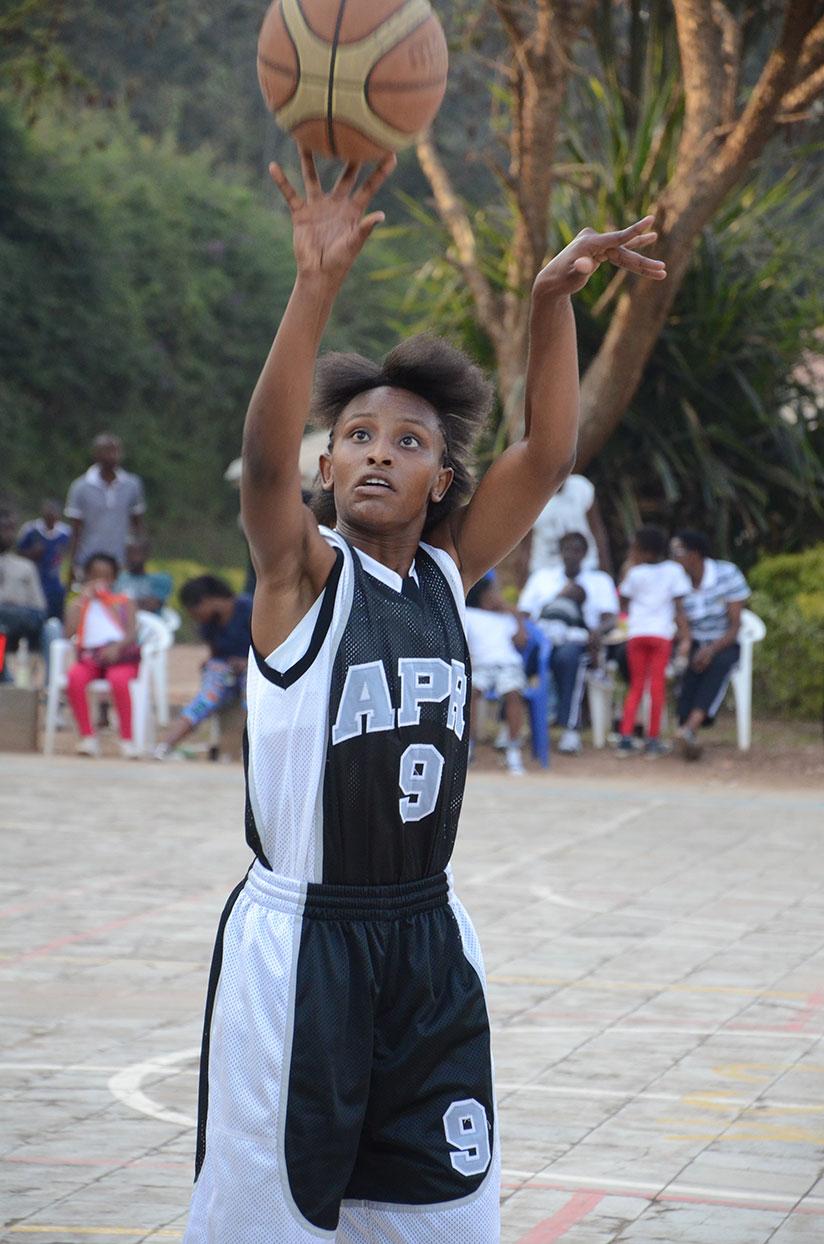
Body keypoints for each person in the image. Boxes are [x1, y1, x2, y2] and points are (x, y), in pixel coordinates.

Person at [181, 145, 665, 1244]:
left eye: (408, 442)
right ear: (326, 465)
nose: (376, 455)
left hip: (427, 937)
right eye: (355, 436)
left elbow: (545, 452)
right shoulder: (298, 577)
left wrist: (548, 300)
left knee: (441, 1220)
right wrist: (314, 285)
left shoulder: (446, 573)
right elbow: (260, 469)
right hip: (301, 944)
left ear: (442, 477)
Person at [519, 530, 619, 754]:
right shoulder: (542, 578)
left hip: (577, 641)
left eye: (576, 550)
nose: (571, 555)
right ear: (560, 552)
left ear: (585, 553)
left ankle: (570, 730)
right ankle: (511, 727)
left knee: (569, 658)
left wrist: (597, 632)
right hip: (542, 639)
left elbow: (610, 618)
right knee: (518, 662)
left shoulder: (599, 581)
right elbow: (524, 615)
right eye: (566, 549)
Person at [671, 529, 751, 761]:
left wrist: (712, 649)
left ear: (695, 554)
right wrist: (687, 643)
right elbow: (679, 614)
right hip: (693, 639)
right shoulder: (677, 578)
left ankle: (690, 728)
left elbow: (735, 624)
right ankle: (686, 730)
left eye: (679, 552)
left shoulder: (726, 574)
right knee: (686, 667)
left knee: (717, 665)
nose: (675, 557)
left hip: (724, 641)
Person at [153, 575, 252, 759]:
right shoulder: (209, 624)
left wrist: (246, 662)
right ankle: (165, 746)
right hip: (226, 671)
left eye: (194, 611)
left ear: (206, 601)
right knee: (206, 698)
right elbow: (216, 652)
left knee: (251, 697)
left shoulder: (248, 608)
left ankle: (253, 748)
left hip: (254, 668)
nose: (195, 617)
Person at [616, 525, 691, 757]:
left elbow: (623, 602)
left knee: (636, 686)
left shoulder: (635, 573)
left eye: (635, 549)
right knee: (656, 687)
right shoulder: (673, 571)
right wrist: (685, 635)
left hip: (637, 634)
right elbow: (679, 608)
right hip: (661, 635)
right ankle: (652, 740)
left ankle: (625, 738)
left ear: (646, 552)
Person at [63, 552, 141, 757]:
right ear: (87, 577)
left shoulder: (124, 601)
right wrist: (81, 602)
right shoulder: (80, 603)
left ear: (114, 578)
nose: (100, 581)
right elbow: (68, 632)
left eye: (106, 576)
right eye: (95, 576)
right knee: (74, 677)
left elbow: (132, 633)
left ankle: (127, 740)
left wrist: (117, 647)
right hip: (90, 659)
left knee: (119, 681)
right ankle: (87, 737)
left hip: (120, 658)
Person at [465, 577, 528, 776]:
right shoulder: (469, 614)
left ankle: (512, 749)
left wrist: (516, 616)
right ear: (482, 595)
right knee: (471, 693)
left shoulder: (505, 618)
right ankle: (468, 746)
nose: (497, 596)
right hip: (480, 666)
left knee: (513, 693)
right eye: (493, 592)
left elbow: (521, 643)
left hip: (507, 666)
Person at [64, 433, 146, 580]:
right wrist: (73, 563)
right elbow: (76, 529)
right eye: (107, 451)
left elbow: (137, 525)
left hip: (121, 561)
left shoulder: (132, 485)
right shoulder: (80, 487)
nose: (112, 456)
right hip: (89, 562)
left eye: (116, 451)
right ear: (96, 454)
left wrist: (139, 559)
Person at [526, 473, 612, 576]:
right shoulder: (530, 497)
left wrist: (605, 571)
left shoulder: (581, 488)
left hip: (586, 567)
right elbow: (525, 546)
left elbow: (597, 531)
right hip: (546, 572)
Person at [0, 505, 47, 682]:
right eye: (4, 529)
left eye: (11, 529)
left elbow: (39, 609)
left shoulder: (25, 567)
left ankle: (48, 690)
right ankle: (5, 678)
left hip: (19, 625)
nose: (8, 534)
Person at [17, 499, 72, 622]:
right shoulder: (31, 530)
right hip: (34, 579)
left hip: (56, 581)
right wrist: (32, 553)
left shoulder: (66, 533)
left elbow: (70, 555)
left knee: (55, 615)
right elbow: (18, 553)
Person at [115, 538, 173, 614]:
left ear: (147, 555)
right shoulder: (117, 578)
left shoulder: (161, 579)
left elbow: (151, 605)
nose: (132, 557)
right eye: (129, 552)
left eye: (137, 553)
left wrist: (122, 603)